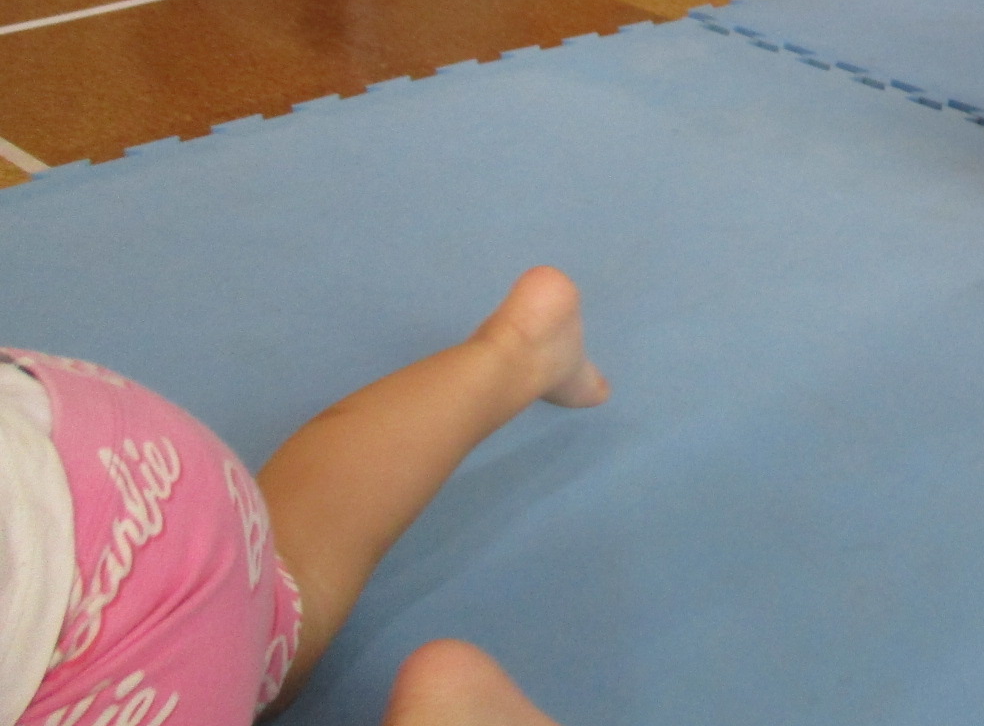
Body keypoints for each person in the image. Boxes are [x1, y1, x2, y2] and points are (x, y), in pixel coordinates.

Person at [1, 267, 606, 725]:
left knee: (213, 630)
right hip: (93, 444)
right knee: (277, 592)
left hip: (108, 622)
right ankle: (518, 351)